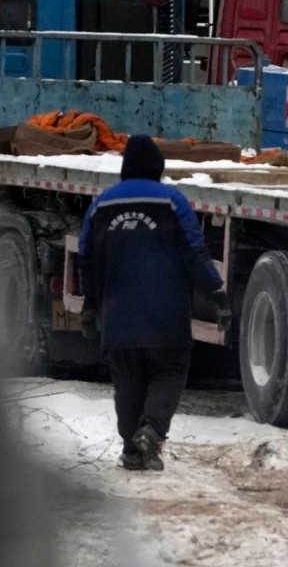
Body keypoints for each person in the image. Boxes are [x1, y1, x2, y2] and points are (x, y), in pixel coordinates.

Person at [79, 135, 225, 473]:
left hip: (117, 317)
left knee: (127, 381)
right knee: (169, 372)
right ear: (157, 168)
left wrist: (90, 304)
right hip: (165, 315)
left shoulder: (101, 204)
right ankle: (153, 430)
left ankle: (132, 450)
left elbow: (87, 257)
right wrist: (216, 293)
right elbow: (194, 251)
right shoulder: (172, 200)